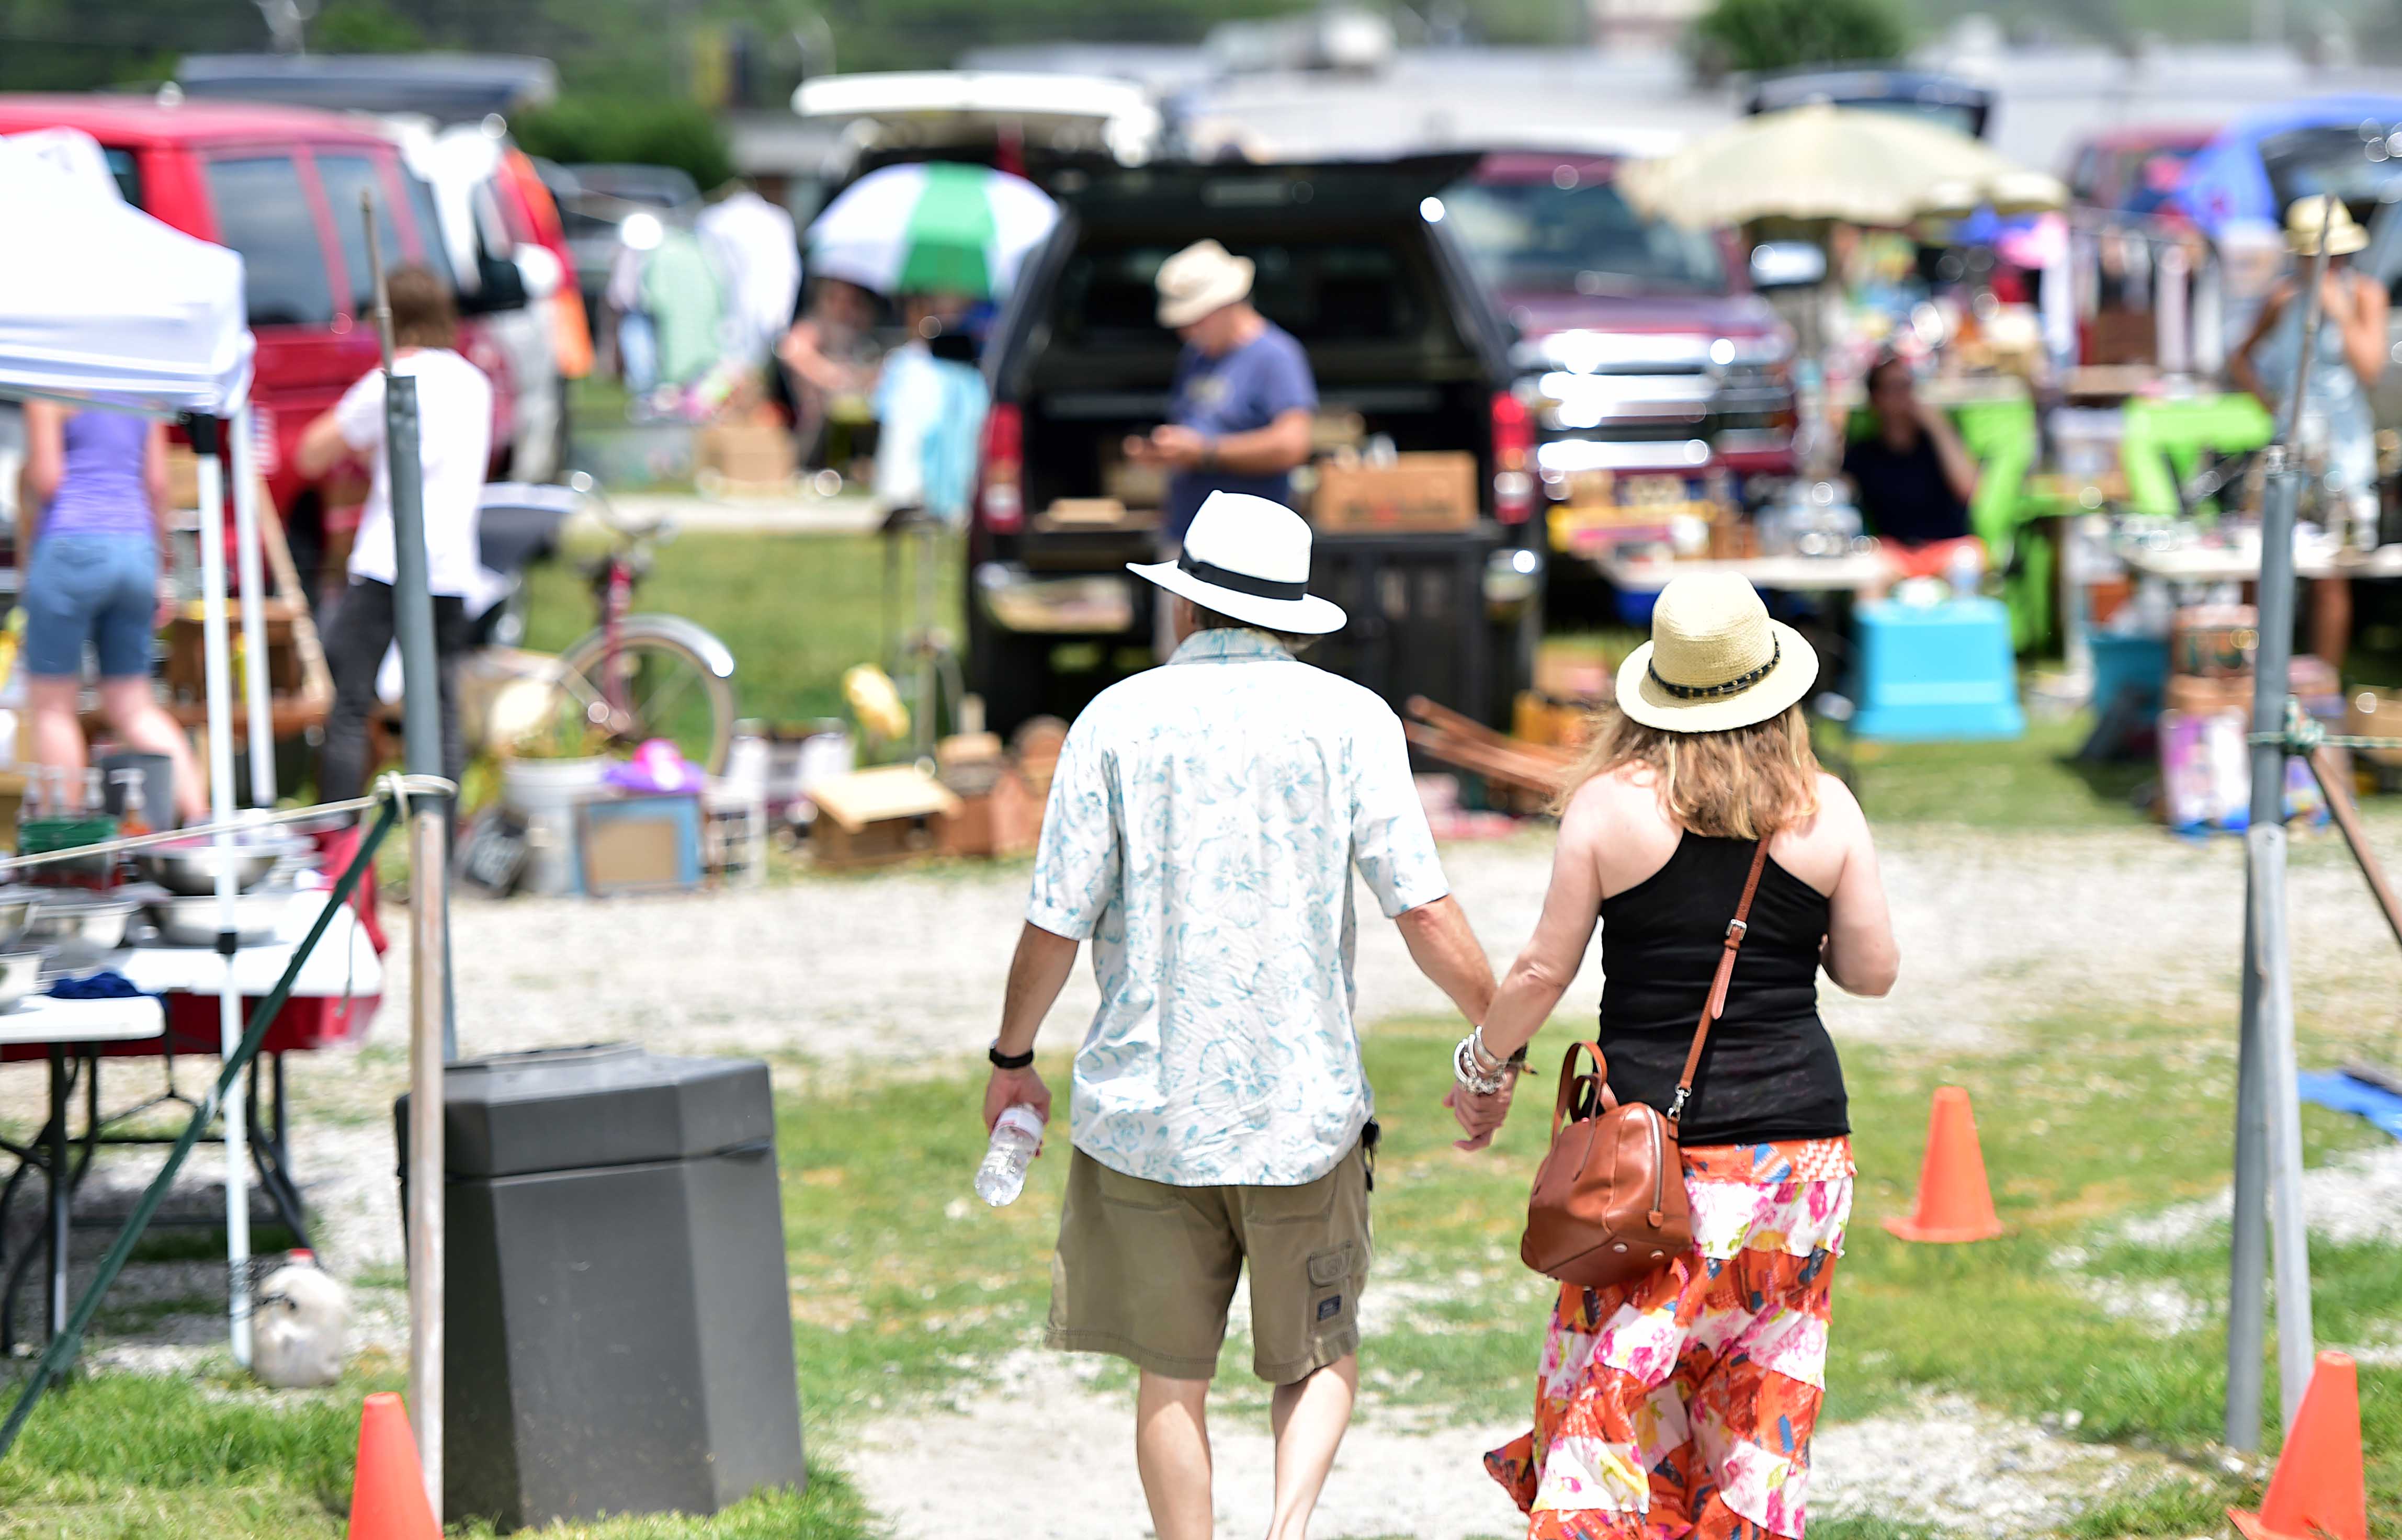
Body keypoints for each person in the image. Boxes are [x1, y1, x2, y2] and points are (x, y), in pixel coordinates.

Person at [981, 491, 1497, 1540]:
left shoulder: (1112, 719)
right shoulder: (1351, 718)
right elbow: (1422, 906)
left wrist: (1013, 1053)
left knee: (1170, 1373)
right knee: (1318, 1349)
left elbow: (1053, 922)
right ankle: (1287, 1528)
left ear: (1184, 609)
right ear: (1296, 617)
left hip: (1147, 1111)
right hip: (1299, 1107)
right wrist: (1500, 1031)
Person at [1451, 572, 1899, 1540]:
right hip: (1799, 1162)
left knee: (1616, 1388)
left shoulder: (1609, 807)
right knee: (1759, 1399)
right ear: (1775, 686)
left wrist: (1482, 1068)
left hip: (1653, 1160)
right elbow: (1871, 971)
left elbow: (1539, 967)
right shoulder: (1825, 808)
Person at [295, 265, 493, 805]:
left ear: (392, 321)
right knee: (440, 707)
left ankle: (335, 835)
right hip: (452, 563)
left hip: (389, 560)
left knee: (350, 701)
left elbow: (311, 452)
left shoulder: (393, 378)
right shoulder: (474, 382)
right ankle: (441, 844)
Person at [16, 402, 208, 822]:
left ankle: (65, 835)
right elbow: (156, 485)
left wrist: (25, 476)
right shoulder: (138, 391)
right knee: (134, 705)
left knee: (53, 706)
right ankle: (199, 819)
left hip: (70, 546)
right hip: (136, 548)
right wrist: (161, 564)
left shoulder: (50, 389)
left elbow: (48, 481)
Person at [2229, 194, 2389, 671]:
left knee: (2330, 572)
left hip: (2344, 450)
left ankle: (2324, 679)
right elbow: (2239, 358)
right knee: (2257, 560)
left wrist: (2336, 310)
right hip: (2292, 443)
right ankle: (2252, 671)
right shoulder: (2282, 299)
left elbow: (2371, 368)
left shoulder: (2364, 296)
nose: (2329, 265)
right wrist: (2271, 404)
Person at [1127, 239, 1318, 551]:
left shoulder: (1277, 356)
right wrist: (1165, 452)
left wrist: (1206, 453)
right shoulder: (1196, 357)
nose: (1186, 332)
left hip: (1248, 545)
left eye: (1196, 319)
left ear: (1229, 304)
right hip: (1187, 534)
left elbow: (1292, 445)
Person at [1842, 353, 1982, 585]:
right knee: (1866, 573)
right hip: (1892, 551)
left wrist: (1939, 427)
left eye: (1908, 386)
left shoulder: (1939, 443)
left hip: (1947, 547)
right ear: (1875, 397)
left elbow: (1969, 490)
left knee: (1968, 563)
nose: (1903, 396)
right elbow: (1840, 496)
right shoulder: (1863, 453)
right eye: (1893, 388)